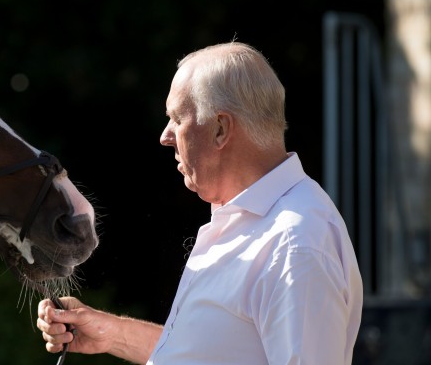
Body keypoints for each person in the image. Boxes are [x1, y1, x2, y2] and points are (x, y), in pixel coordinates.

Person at [36, 41, 363, 364]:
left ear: (221, 129)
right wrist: (114, 333)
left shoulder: (295, 243)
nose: (165, 137)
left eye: (177, 118)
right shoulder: (253, 223)